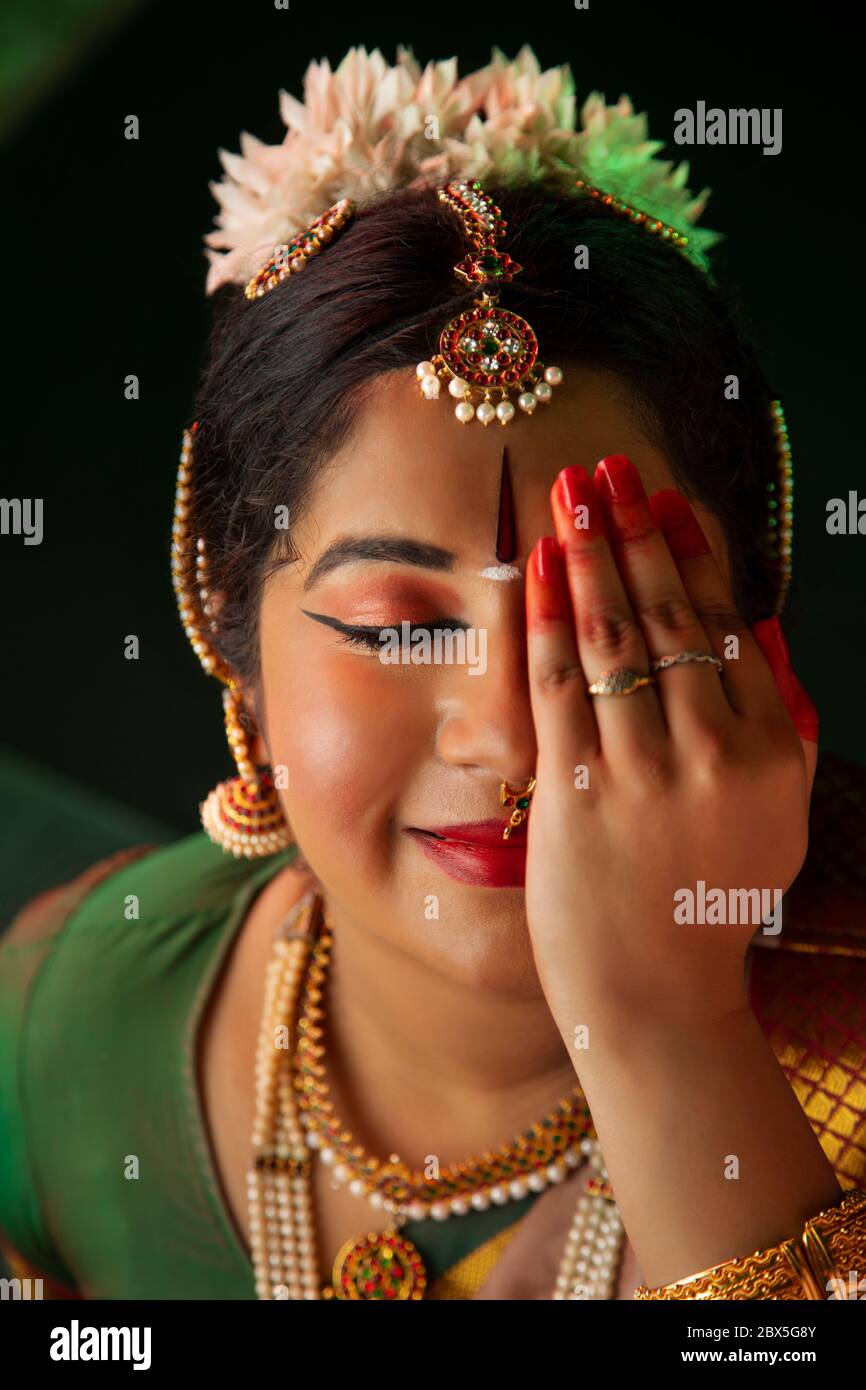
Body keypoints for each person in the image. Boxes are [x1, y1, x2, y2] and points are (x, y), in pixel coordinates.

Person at [1, 44, 865, 1302]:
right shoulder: (71, 1025)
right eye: (397, 624)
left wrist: (664, 1029)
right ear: (225, 624)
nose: (511, 741)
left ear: (750, 620)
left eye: (603, 620)